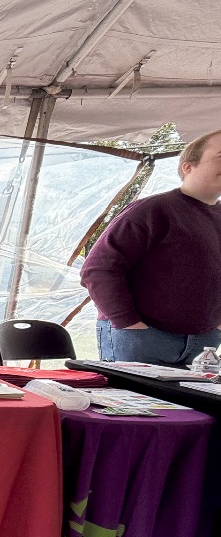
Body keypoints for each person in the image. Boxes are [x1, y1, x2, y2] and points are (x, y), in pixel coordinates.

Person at [81, 129, 221, 367]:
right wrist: (129, 324)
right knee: (128, 405)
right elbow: (98, 269)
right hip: (142, 338)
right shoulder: (152, 211)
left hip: (203, 343)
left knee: (187, 406)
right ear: (188, 167)